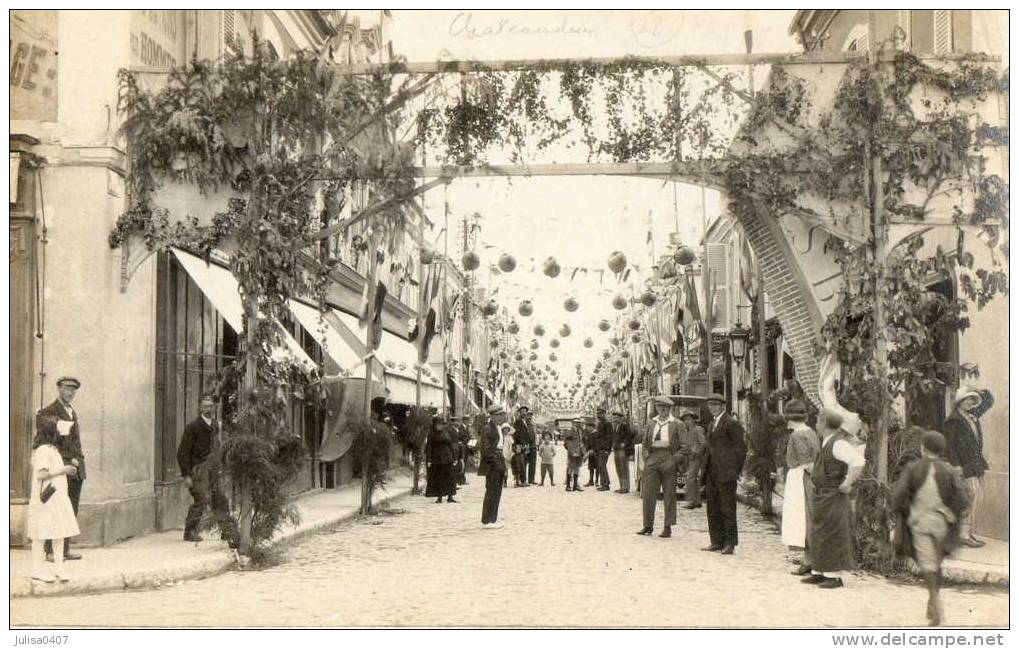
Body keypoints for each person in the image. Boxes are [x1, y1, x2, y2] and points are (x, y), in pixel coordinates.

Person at [892, 429, 971, 626]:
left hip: (920, 523)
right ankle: (932, 602)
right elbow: (963, 500)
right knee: (936, 563)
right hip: (942, 524)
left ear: (923, 448)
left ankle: (936, 607)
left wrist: (905, 512)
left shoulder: (913, 468)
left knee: (928, 567)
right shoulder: (950, 470)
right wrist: (949, 512)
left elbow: (899, 497)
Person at [802, 409, 864, 588]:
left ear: (823, 423)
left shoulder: (838, 444)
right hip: (822, 493)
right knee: (819, 531)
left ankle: (833, 575)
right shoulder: (827, 441)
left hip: (833, 493)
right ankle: (819, 571)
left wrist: (847, 482)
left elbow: (858, 462)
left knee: (831, 531)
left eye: (817, 421)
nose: (815, 424)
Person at [177, 394, 239, 547]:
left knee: (220, 499)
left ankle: (227, 530)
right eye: (205, 406)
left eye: (211, 406)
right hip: (198, 471)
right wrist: (186, 475)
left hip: (214, 470)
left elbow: (218, 448)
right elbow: (182, 452)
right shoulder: (193, 427)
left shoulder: (216, 426)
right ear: (200, 408)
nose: (208, 409)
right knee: (202, 498)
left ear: (214, 408)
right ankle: (190, 532)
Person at [37, 376, 85, 562]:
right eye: (67, 389)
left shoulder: (71, 411)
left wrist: (78, 463)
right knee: (54, 508)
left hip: (75, 468)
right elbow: (48, 439)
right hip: (60, 467)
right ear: (59, 389)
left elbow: (75, 441)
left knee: (70, 509)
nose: (70, 393)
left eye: (73, 390)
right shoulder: (48, 411)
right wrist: (68, 460)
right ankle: (50, 551)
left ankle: (63, 549)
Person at [28, 417, 80, 582]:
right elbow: (41, 474)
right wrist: (63, 469)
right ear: (52, 433)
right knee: (41, 533)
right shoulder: (43, 450)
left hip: (56, 498)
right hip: (47, 499)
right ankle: (37, 569)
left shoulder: (51, 450)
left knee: (59, 532)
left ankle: (59, 568)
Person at [941, 385, 994, 548]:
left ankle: (964, 533)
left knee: (976, 498)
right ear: (960, 401)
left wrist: (976, 390)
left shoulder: (972, 416)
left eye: (973, 399)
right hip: (964, 467)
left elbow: (989, 400)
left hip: (975, 465)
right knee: (970, 499)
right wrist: (956, 467)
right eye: (968, 399)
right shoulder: (953, 421)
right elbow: (949, 447)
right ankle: (963, 534)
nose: (971, 402)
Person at [700, 393, 747, 555]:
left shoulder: (731, 424)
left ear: (722, 406)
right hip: (712, 471)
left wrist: (735, 470)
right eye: (710, 405)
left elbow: (740, 449)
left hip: (726, 473)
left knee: (727, 508)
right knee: (712, 507)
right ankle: (716, 541)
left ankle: (729, 543)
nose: (712, 407)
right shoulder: (711, 424)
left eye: (715, 405)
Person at [781, 399, 821, 575]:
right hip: (807, 477)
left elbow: (807, 463)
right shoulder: (810, 431)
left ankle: (811, 562)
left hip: (801, 478)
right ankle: (809, 560)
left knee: (804, 519)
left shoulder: (797, 435)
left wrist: (819, 481)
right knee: (808, 519)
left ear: (789, 417)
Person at [637, 397, 684, 538]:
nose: (662, 410)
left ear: (669, 409)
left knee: (669, 494)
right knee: (648, 493)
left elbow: (685, 446)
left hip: (669, 456)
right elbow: (645, 442)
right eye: (659, 407)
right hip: (653, 457)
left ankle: (667, 527)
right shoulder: (651, 423)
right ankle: (647, 525)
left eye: (665, 408)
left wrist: (674, 460)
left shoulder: (677, 424)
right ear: (656, 408)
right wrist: (646, 456)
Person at [478, 405, 509, 528]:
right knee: (491, 491)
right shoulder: (488, 429)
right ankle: (488, 520)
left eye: (501, 415)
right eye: (499, 415)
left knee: (497, 491)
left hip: (498, 460)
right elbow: (486, 450)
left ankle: (493, 518)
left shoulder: (497, 428)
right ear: (493, 416)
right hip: (492, 463)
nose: (501, 417)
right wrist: (496, 462)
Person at [676, 406, 706, 509]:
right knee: (693, 479)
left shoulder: (698, 429)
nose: (687, 421)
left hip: (697, 457)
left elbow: (703, 443)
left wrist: (696, 453)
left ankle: (690, 501)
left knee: (690, 479)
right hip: (690, 457)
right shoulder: (687, 431)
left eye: (689, 419)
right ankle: (697, 501)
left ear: (693, 419)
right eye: (685, 420)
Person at [425, 417, 458, 504]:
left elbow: (451, 446)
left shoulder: (447, 433)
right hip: (437, 459)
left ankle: (450, 497)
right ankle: (439, 497)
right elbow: (428, 448)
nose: (439, 427)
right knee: (439, 479)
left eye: (441, 425)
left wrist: (454, 458)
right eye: (438, 425)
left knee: (450, 478)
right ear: (434, 425)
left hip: (448, 458)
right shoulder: (431, 435)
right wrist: (428, 460)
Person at [513, 406, 538, 486]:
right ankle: (521, 480)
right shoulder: (518, 422)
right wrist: (523, 443)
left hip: (528, 445)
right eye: (522, 411)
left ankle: (526, 480)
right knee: (521, 463)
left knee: (526, 463)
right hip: (521, 445)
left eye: (525, 411)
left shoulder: (530, 424)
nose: (524, 413)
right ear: (519, 412)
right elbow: (518, 434)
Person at [611, 411, 634, 494]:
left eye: (616, 418)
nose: (615, 419)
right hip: (617, 449)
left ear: (621, 418)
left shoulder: (624, 426)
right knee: (618, 468)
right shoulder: (616, 427)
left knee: (624, 468)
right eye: (614, 418)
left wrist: (624, 443)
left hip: (622, 450)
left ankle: (625, 487)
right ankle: (621, 486)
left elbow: (630, 435)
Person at [594, 408, 613, 491]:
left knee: (602, 466)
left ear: (604, 413)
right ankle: (605, 483)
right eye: (598, 413)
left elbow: (609, 437)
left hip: (604, 448)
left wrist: (606, 448)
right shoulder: (600, 423)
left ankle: (605, 484)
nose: (598, 415)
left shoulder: (607, 423)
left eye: (600, 413)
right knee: (601, 466)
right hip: (600, 448)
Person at [564, 426, 586, 492]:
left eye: (578, 421)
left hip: (579, 452)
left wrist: (584, 452)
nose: (577, 423)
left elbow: (581, 442)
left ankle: (575, 485)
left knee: (577, 468)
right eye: (575, 421)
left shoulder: (580, 430)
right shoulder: (570, 431)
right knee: (571, 467)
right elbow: (567, 442)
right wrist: (572, 451)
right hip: (573, 453)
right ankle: (568, 486)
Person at [582, 417, 598, 486]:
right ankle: (591, 480)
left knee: (597, 467)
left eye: (588, 427)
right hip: (590, 452)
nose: (587, 428)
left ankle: (597, 481)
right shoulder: (589, 434)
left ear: (592, 427)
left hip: (595, 452)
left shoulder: (596, 434)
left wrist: (593, 450)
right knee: (591, 467)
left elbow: (596, 444)